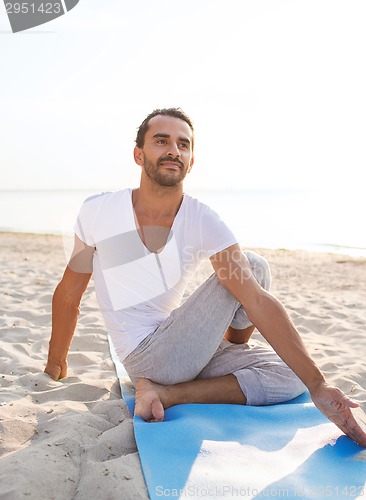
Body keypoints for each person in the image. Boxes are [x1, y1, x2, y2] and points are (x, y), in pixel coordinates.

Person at [45, 107, 366, 447]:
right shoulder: (98, 211)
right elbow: (69, 293)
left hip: (183, 346)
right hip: (147, 355)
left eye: (183, 144)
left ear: (191, 160)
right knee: (251, 270)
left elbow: (256, 299)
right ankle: (160, 384)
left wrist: (318, 386)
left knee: (291, 374)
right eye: (161, 141)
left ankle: (167, 393)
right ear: (139, 154)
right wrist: (55, 364)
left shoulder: (203, 219)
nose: (174, 150)